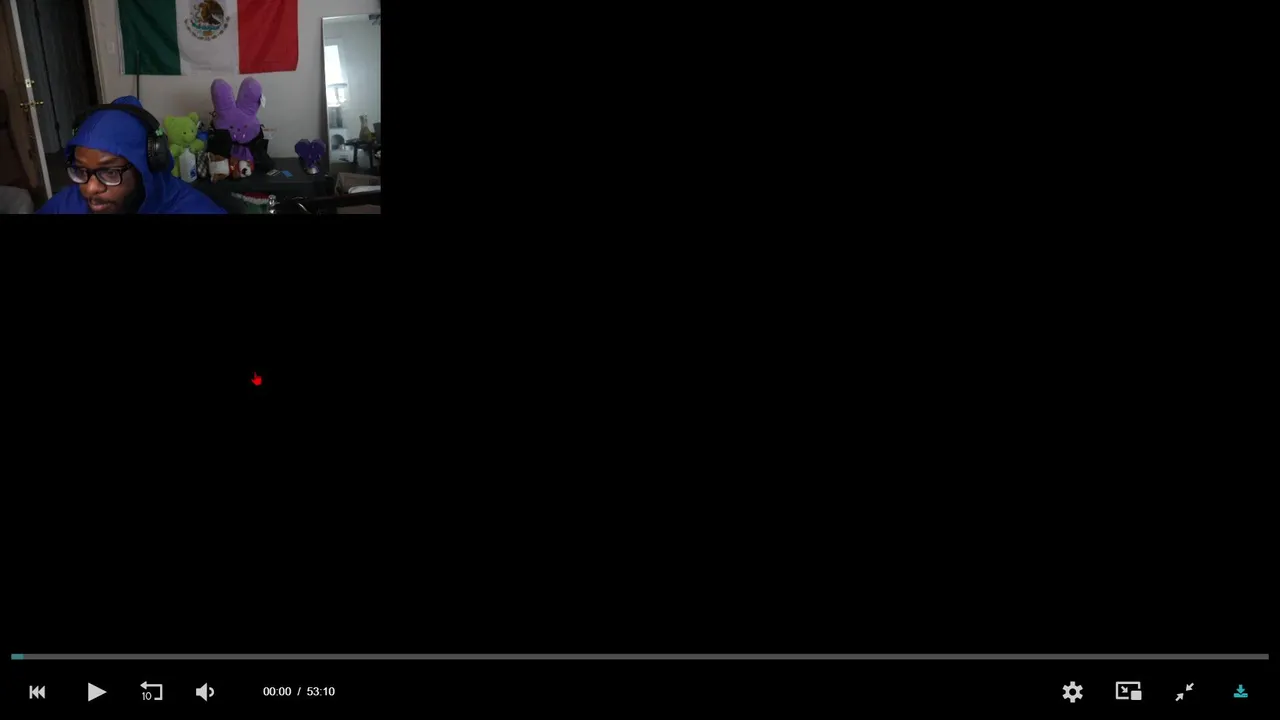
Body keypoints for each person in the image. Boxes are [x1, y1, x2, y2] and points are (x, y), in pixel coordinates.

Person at [38, 96, 225, 214]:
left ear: (145, 166)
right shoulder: (66, 204)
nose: (89, 188)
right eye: (81, 170)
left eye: (110, 172)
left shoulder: (193, 209)